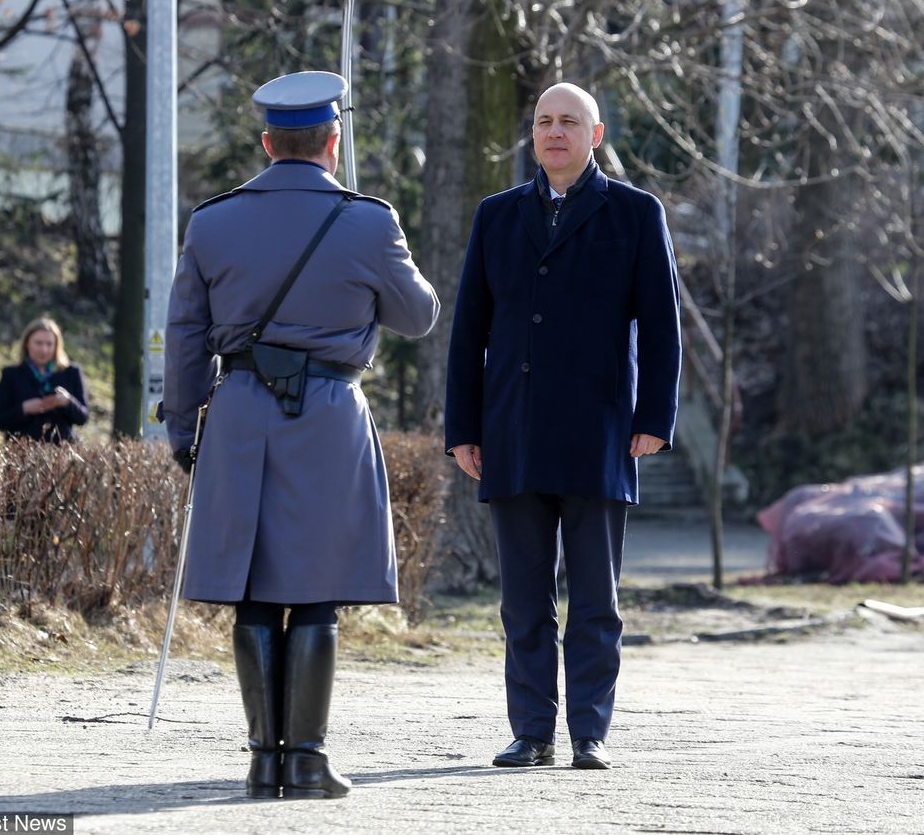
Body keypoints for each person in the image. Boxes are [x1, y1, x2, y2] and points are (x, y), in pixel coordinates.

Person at [162, 70, 439, 800]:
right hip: (326, 414)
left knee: (254, 588)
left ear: (266, 143)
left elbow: (186, 335)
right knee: (316, 590)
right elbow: (419, 316)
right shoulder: (369, 219)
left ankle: (262, 759)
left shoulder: (212, 220)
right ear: (332, 142)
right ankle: (307, 760)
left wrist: (182, 424)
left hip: (240, 412)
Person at [444, 82, 682, 771]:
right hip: (511, 432)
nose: (555, 131)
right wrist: (463, 425)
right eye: (545, 121)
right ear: (533, 135)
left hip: (599, 431)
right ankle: (531, 732)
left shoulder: (636, 214)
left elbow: (662, 327)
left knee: (595, 600)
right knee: (523, 599)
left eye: (569, 121)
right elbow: (469, 332)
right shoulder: (497, 216)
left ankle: (590, 731)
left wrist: (654, 419)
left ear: (595, 134)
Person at [0, 317, 89, 444]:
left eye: (49, 344)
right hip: (21, 450)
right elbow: (0, 420)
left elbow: (83, 417)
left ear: (57, 346)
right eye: (38, 343)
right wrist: (24, 409)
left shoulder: (71, 372)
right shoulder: (11, 374)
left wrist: (68, 402)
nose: (44, 350)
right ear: (27, 343)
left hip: (61, 451)